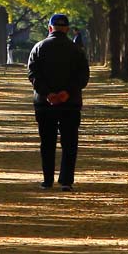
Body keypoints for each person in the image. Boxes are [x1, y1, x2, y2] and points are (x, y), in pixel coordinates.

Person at [27, 13, 90, 191]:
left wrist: (48, 93)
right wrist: (67, 93)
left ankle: (47, 180)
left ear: (50, 28)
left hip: (44, 104)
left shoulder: (38, 48)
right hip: (71, 104)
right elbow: (83, 77)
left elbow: (32, 74)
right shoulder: (77, 50)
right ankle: (66, 181)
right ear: (67, 29)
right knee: (69, 142)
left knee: (47, 142)